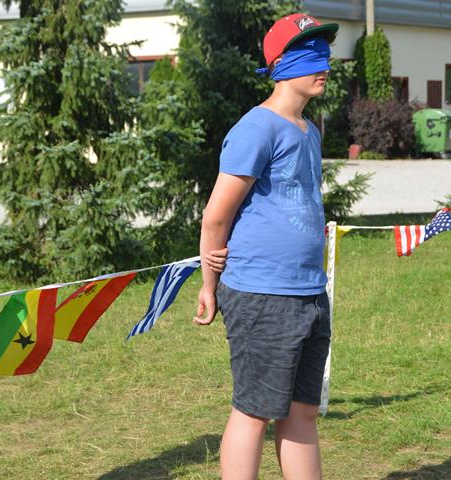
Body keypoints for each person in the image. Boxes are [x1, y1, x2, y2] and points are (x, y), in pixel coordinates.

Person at [193, 14, 339, 480]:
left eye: (325, 54)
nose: (324, 65)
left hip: (308, 292)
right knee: (254, 411)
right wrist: (209, 285)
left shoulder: (309, 131)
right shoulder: (257, 128)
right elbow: (216, 216)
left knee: (302, 412)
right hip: (262, 294)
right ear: (280, 64)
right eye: (310, 55)